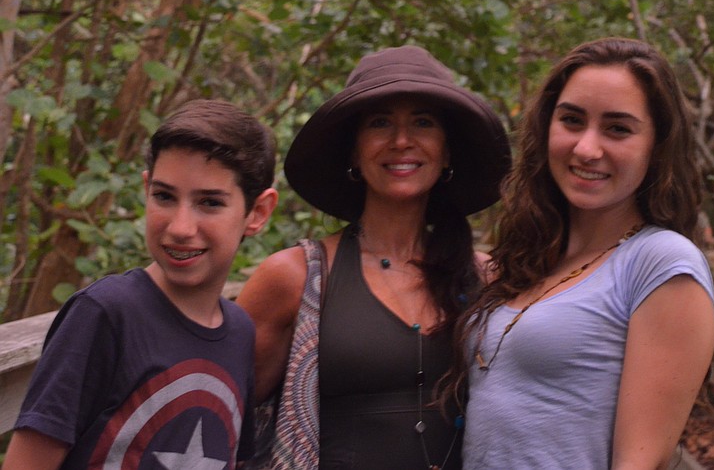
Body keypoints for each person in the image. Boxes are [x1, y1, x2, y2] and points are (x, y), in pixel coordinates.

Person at [441, 37, 714, 469]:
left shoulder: (662, 263)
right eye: (572, 120)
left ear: (656, 146)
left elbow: (638, 463)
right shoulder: (535, 257)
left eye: (617, 128)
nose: (587, 149)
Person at [236, 45, 511, 470]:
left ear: (447, 151)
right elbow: (218, 414)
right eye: (380, 123)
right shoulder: (296, 277)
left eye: (423, 122)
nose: (401, 141)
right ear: (353, 151)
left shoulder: (487, 278)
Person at [4, 100, 279, 469]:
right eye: (164, 196)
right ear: (146, 189)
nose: (180, 228)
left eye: (210, 203)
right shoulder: (105, 313)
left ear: (257, 213)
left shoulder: (240, 332)